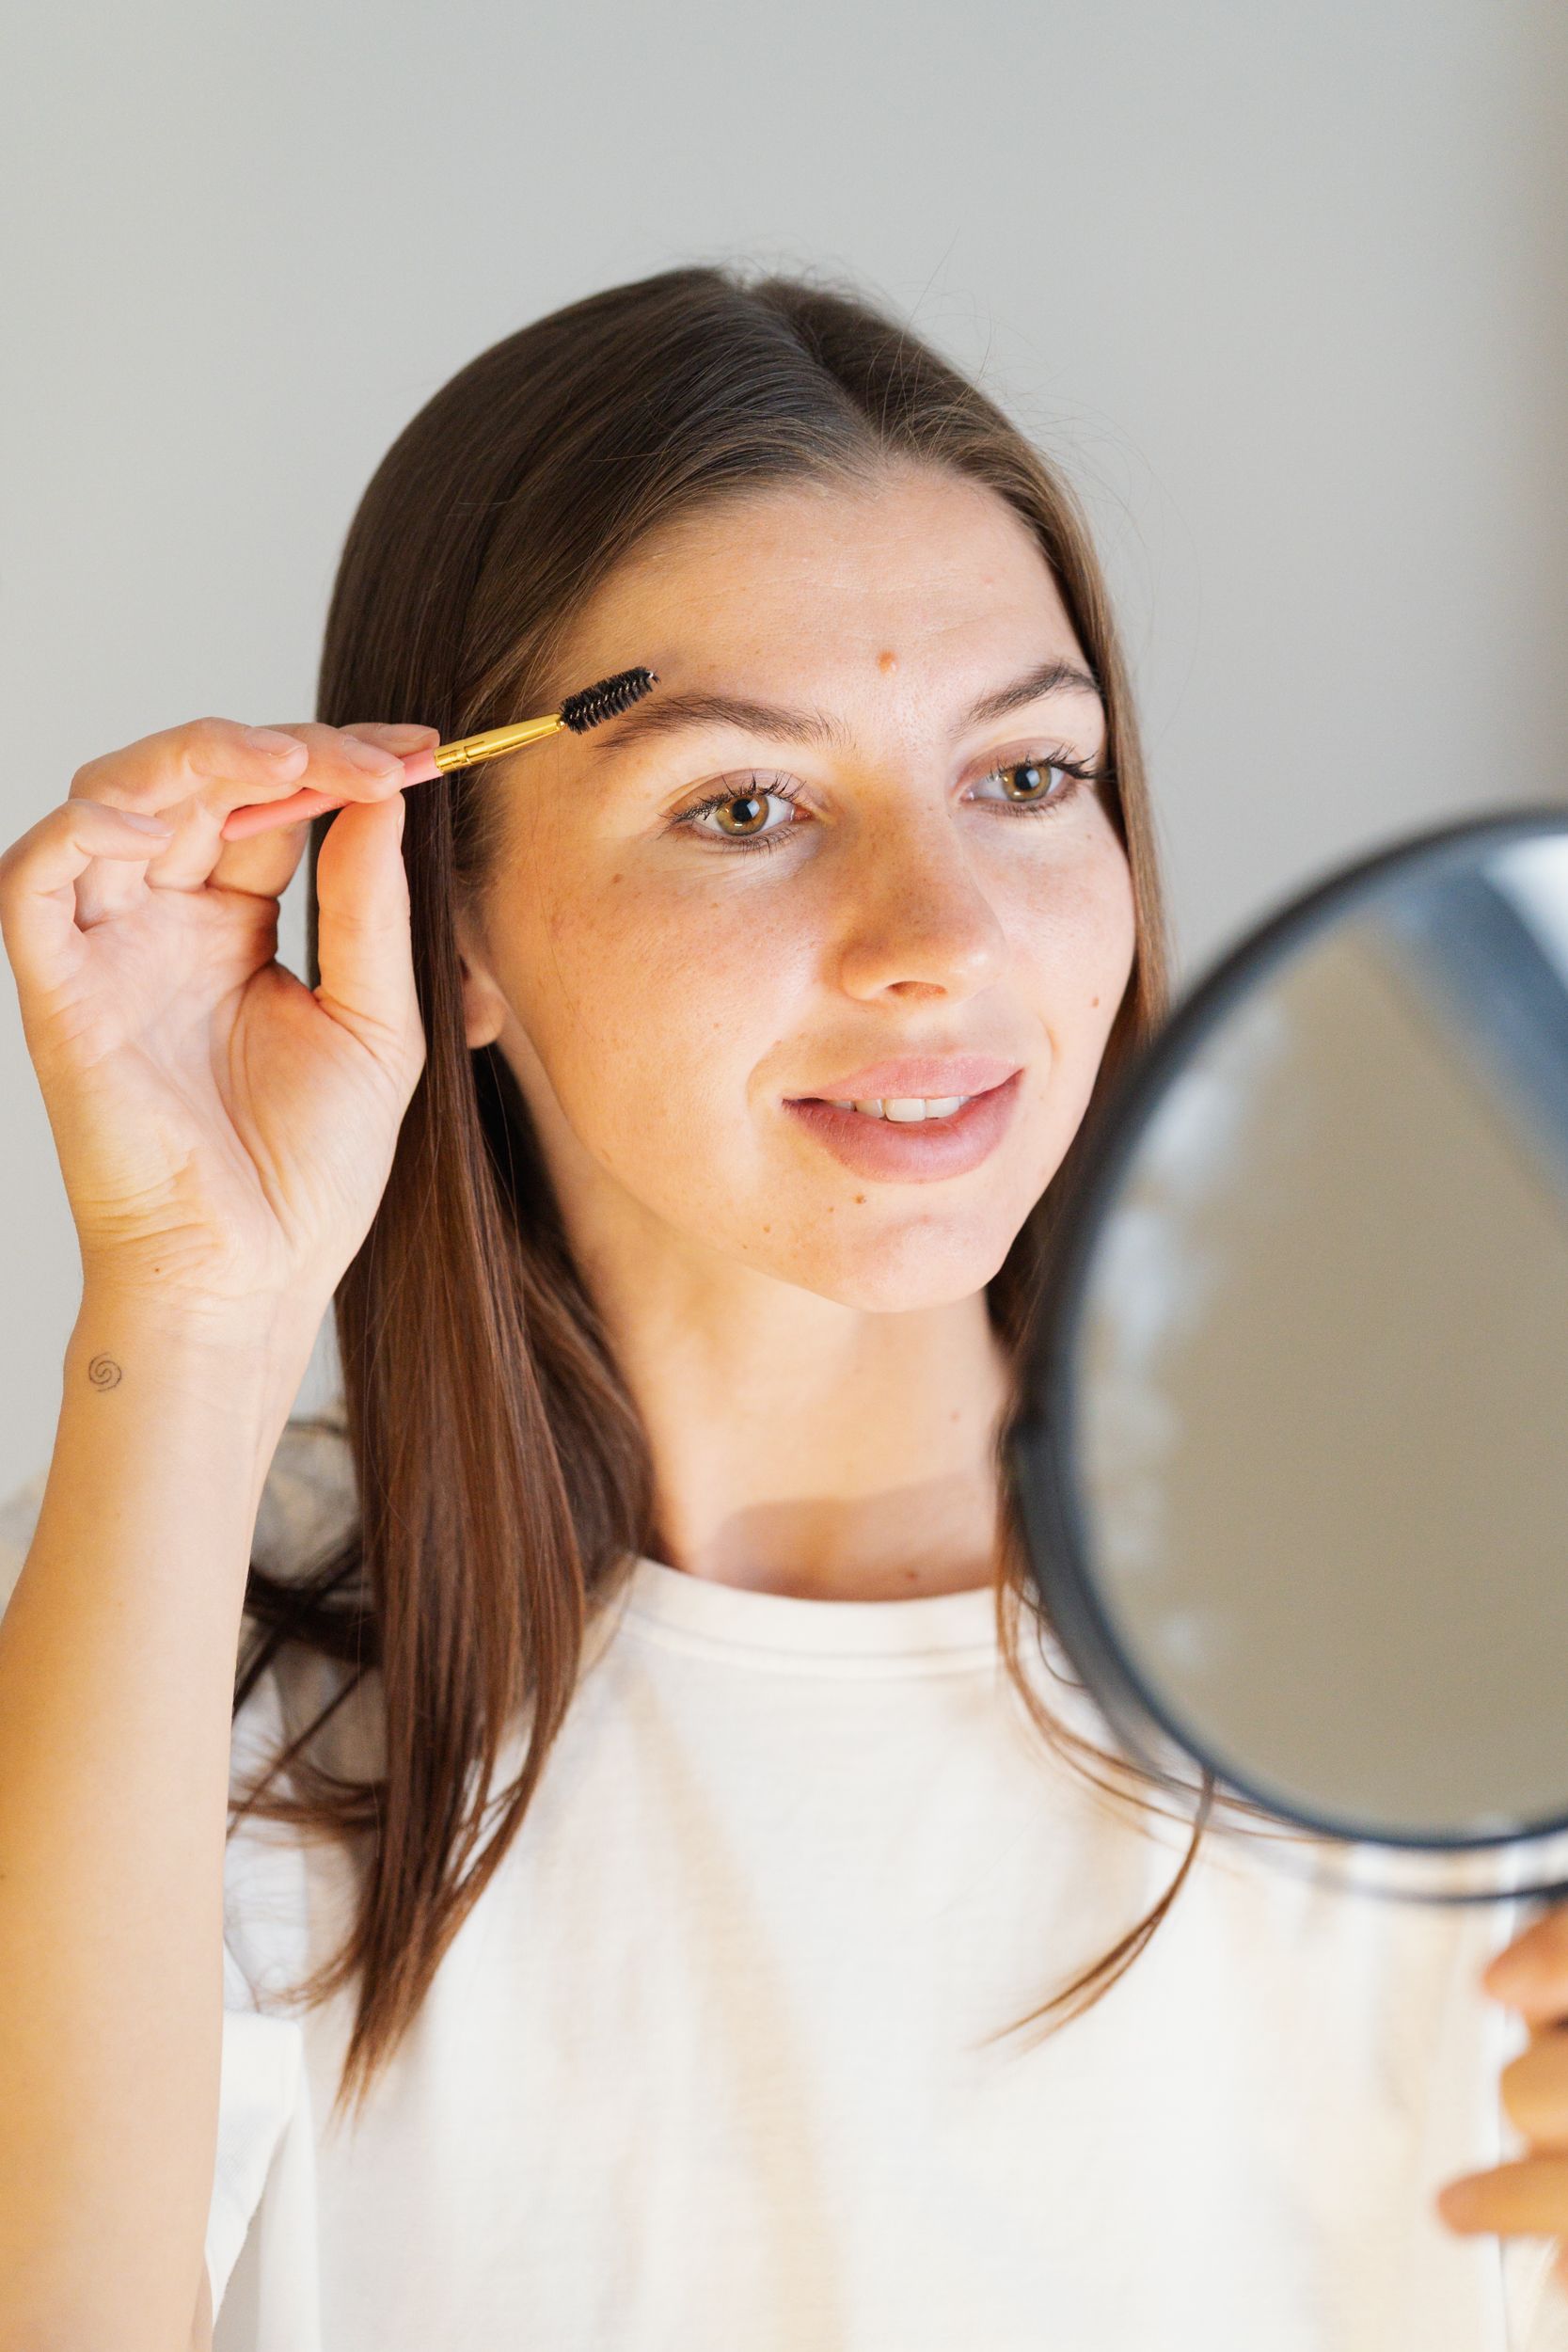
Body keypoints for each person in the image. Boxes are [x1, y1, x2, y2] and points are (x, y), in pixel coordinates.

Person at [0, 262, 1563, 2352]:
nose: (944, 938)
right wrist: (193, 1304)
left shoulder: (1470, 1622)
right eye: (746, 805)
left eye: (1028, 778)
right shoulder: (202, 1674)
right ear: (440, 929)